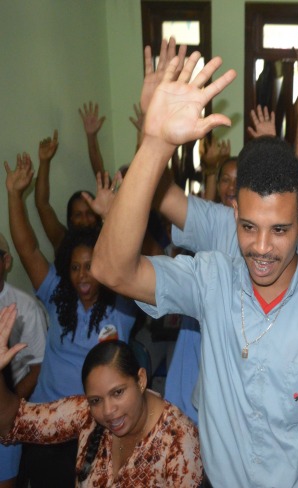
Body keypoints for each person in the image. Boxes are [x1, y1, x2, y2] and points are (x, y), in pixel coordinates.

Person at [91, 48, 298, 488]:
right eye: (248, 227)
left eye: (279, 230)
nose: (260, 248)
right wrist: (155, 141)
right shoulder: (212, 279)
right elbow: (110, 269)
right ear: (233, 213)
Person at [5, 153, 136, 487]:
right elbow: (28, 249)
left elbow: (134, 254)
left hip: (95, 426)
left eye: (90, 265)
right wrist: (13, 195)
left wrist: (118, 210)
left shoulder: (120, 304)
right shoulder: (57, 295)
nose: (83, 275)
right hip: (46, 424)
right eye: (75, 267)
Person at [0, 312, 202, 487]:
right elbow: (14, 421)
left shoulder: (178, 441)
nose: (108, 410)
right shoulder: (86, 413)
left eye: (118, 393)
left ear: (141, 380)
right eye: (96, 400)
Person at [0, 234, 47, 488]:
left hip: (8, 412)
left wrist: (9, 404)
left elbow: (38, 367)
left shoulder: (25, 307)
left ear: (6, 261)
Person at [34, 130, 100, 251]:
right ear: (70, 219)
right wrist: (44, 162)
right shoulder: (62, 240)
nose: (85, 221)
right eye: (78, 215)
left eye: (90, 213)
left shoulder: (106, 239)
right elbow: (42, 204)